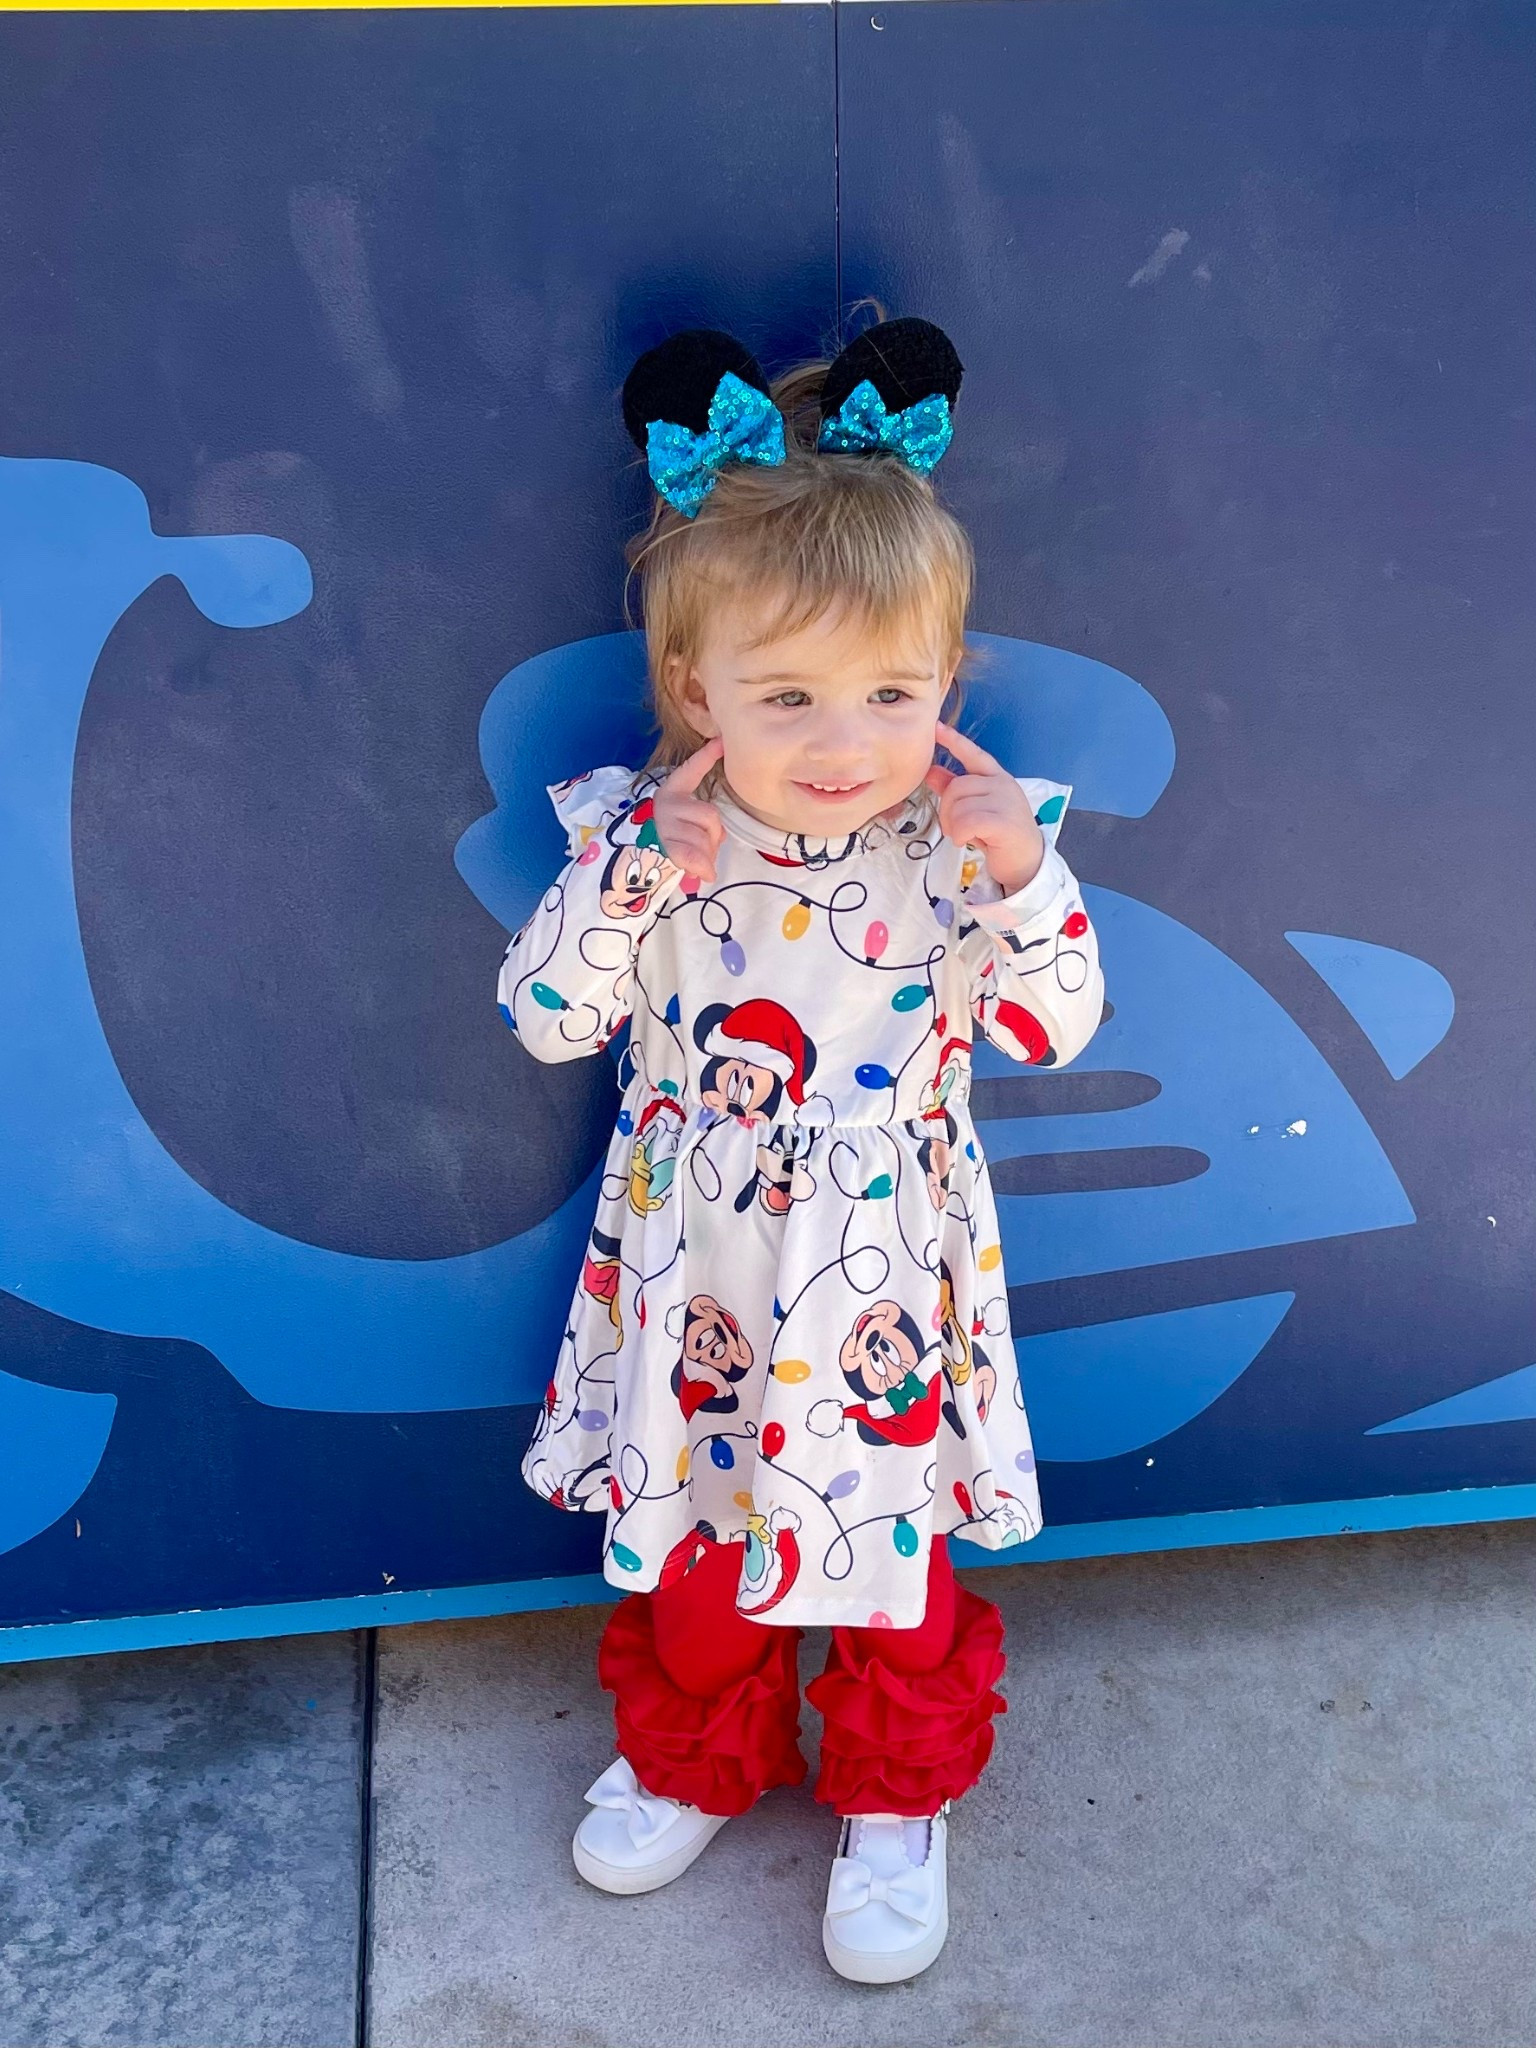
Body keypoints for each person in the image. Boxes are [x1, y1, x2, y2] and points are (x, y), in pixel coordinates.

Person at [497, 317, 1105, 1983]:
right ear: (696, 687)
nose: (843, 742)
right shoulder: (650, 837)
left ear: (947, 688)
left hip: (885, 1276)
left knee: (885, 1544)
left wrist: (1022, 883)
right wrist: (632, 872)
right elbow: (551, 1014)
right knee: (705, 1520)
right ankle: (698, 1749)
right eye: (787, 696)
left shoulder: (956, 847)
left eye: (892, 694)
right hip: (705, 1264)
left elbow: (1052, 1026)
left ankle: (896, 1791)